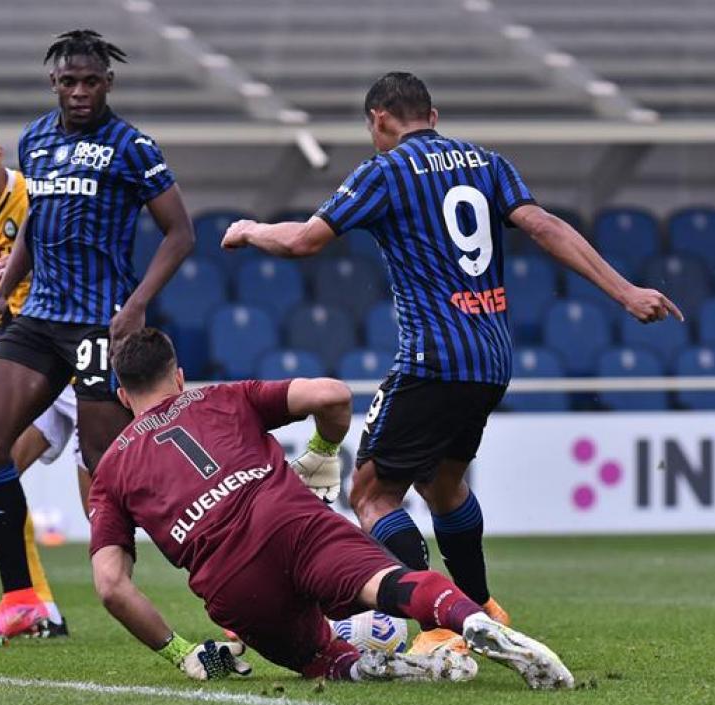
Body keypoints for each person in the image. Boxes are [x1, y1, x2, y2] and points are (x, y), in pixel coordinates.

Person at [221, 72, 681, 654]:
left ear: (379, 120)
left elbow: (304, 241)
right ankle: (482, 607)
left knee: (372, 495)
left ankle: (438, 626)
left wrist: (251, 230)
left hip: (432, 358)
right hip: (491, 357)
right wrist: (625, 291)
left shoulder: (384, 170)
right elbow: (544, 225)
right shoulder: (488, 163)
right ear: (433, 116)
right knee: (444, 485)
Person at [88, 328, 574, 689]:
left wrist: (182, 653)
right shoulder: (222, 396)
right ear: (178, 376)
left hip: (231, 579)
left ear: (123, 395)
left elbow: (111, 586)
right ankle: (470, 621)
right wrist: (321, 452)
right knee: (389, 584)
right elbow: (333, 394)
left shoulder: (110, 470)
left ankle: (379, 666)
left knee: (321, 660)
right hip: (289, 519)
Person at [0, 29, 194, 646]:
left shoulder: (133, 146)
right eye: (70, 81)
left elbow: (180, 234)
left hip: (101, 321)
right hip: (39, 317)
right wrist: (8, 287)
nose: (81, 91)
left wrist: (137, 306)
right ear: (55, 84)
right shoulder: (35, 139)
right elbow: (36, 220)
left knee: (109, 470)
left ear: (108, 83)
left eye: (91, 81)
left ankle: (210, 567)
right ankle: (20, 598)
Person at [0, 117, 94, 640]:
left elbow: (69, 263)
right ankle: (36, 605)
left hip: (75, 358)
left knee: (107, 510)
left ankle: (230, 606)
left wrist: (19, 275)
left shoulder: (36, 193)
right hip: (30, 363)